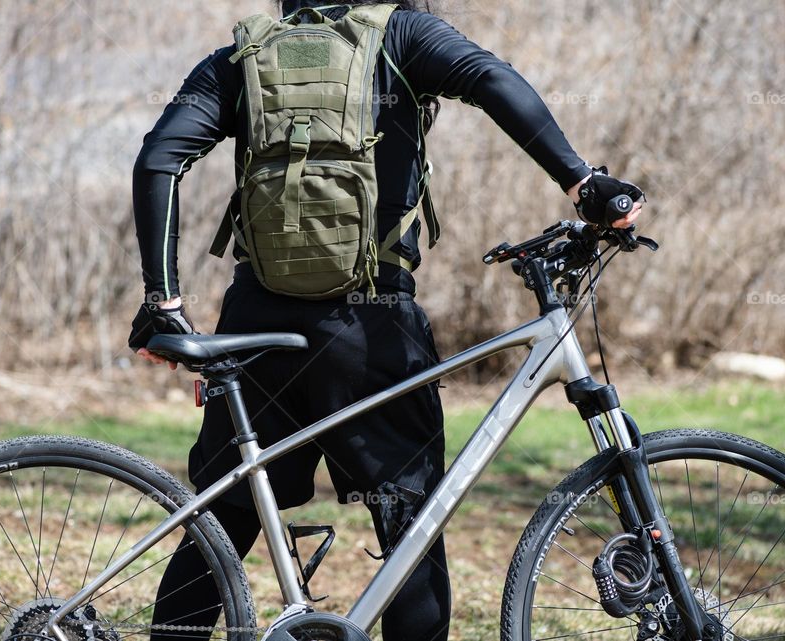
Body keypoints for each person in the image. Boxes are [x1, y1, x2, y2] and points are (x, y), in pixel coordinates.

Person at [128, 1, 644, 639]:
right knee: (411, 526)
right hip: (371, 329)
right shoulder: (402, 33)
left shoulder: (246, 56)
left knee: (224, 522)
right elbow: (490, 78)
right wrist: (582, 181)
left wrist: (163, 301)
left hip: (255, 326)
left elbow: (158, 159)